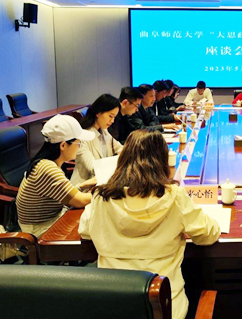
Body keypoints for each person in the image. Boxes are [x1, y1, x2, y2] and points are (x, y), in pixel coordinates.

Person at [79, 130, 220, 319]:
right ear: (162, 161)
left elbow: (85, 231)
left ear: (123, 159)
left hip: (113, 308)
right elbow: (208, 235)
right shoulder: (174, 197)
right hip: (166, 309)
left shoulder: (101, 197)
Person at [16, 114, 96, 237]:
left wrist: (85, 184)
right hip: (41, 230)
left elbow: (62, 193)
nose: (79, 148)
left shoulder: (46, 163)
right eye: (78, 143)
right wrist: (108, 191)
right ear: (63, 145)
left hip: (51, 220)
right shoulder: (48, 169)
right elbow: (80, 201)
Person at [70, 94, 124, 186]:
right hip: (84, 187)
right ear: (98, 113)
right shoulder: (83, 137)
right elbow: (93, 167)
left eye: (114, 117)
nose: (112, 121)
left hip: (103, 183)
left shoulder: (104, 131)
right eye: (110, 116)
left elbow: (120, 149)